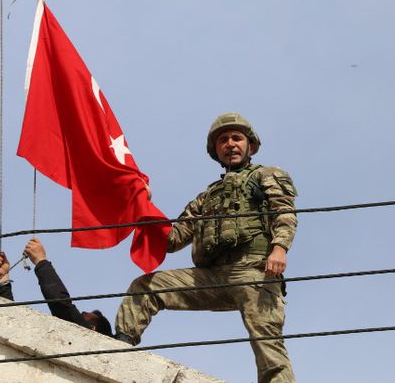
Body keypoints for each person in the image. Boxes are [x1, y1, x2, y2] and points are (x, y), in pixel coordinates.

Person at [115, 112, 298, 383]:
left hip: (254, 271)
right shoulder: (206, 197)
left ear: (251, 146)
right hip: (212, 277)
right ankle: (119, 349)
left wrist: (279, 249)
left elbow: (284, 213)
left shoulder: (266, 174)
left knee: (268, 345)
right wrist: (144, 203)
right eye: (223, 140)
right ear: (216, 150)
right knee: (146, 286)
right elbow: (173, 239)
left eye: (237, 138)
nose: (230, 144)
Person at [0, 238, 113, 337]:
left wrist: (41, 260)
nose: (83, 312)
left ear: (93, 329)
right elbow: (11, 322)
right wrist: (3, 279)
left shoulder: (84, 337)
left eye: (87, 315)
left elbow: (61, 304)